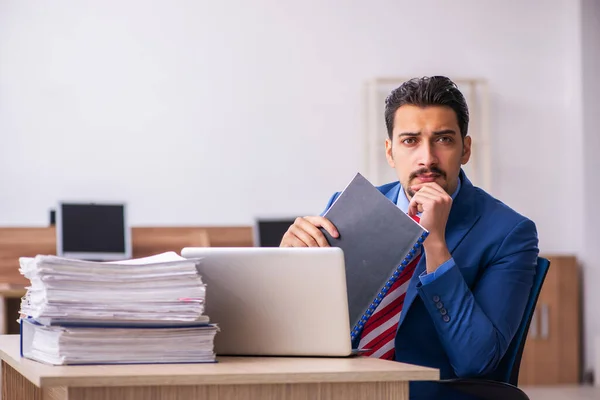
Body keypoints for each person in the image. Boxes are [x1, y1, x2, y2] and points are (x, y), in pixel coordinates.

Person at [280, 76, 539, 399]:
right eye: (410, 141)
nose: (427, 158)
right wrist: (290, 268)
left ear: (465, 149)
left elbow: (477, 361)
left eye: (443, 139)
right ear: (390, 152)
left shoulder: (508, 233)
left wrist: (435, 244)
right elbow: (305, 328)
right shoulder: (349, 207)